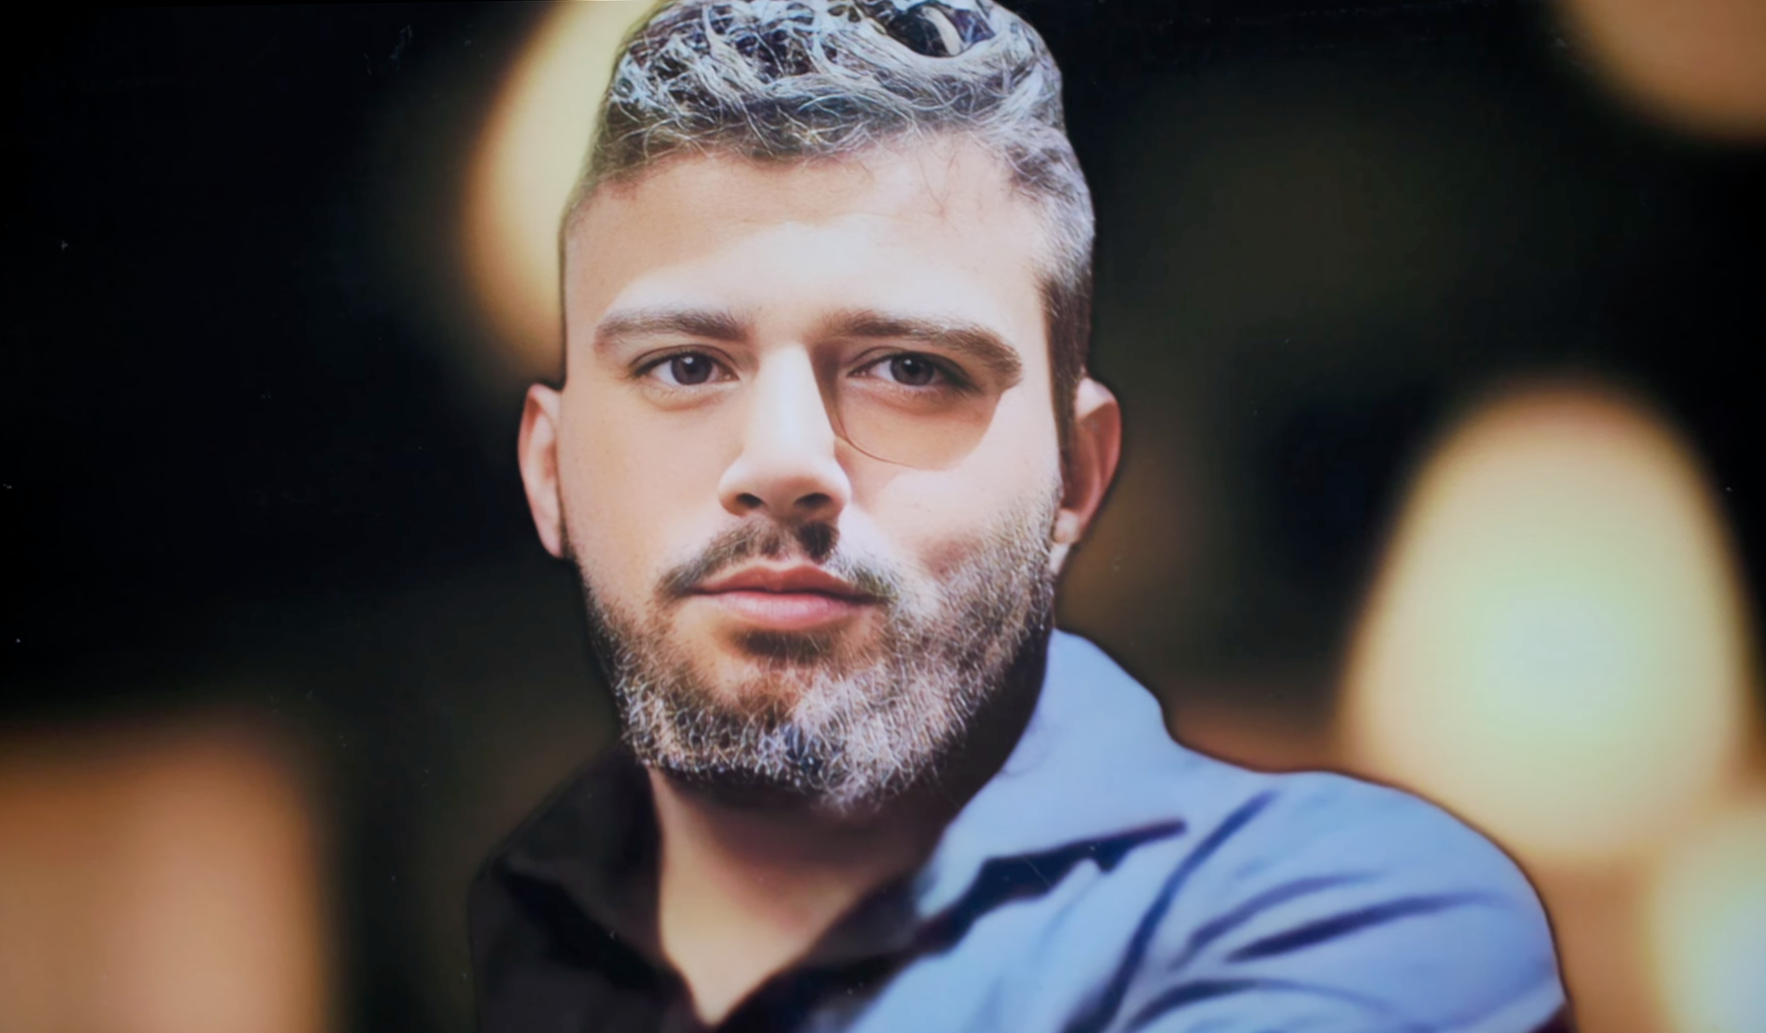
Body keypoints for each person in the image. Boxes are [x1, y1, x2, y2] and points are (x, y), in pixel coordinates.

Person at [472, 1, 1569, 1030]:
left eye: (909, 368)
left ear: (1077, 476)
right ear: (548, 471)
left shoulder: (1356, 918)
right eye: (684, 364)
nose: (784, 460)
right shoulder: (537, 901)